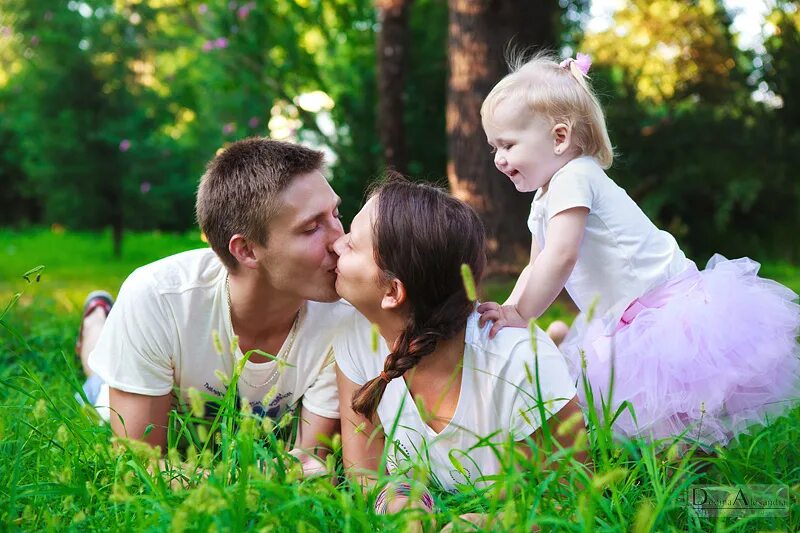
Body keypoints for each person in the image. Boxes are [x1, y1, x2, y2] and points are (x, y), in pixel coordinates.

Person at [477, 51, 800, 449]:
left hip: (663, 308)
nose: (498, 159)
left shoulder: (574, 177)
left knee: (682, 406)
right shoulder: (545, 197)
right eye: (494, 147)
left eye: (507, 144)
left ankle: (698, 479)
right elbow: (535, 266)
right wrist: (509, 309)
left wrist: (522, 313)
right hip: (629, 317)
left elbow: (561, 256)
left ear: (559, 137)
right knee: (661, 417)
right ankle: (686, 474)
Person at [77, 138, 350, 471]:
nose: (342, 240)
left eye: (336, 214)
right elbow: (142, 468)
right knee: (97, 377)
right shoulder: (158, 298)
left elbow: (312, 468)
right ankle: (96, 320)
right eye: (311, 227)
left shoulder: (346, 315)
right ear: (247, 251)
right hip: (127, 380)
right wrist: (254, 486)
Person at [332, 178, 586, 517]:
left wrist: (494, 523)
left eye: (351, 245)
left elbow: (573, 496)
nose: (336, 245)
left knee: (559, 362)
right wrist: (400, 498)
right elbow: (365, 474)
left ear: (392, 292)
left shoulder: (519, 363)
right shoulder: (355, 335)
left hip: (539, 375)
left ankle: (560, 341)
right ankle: (559, 335)